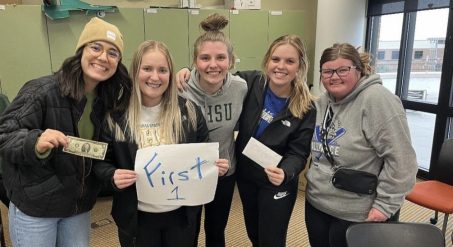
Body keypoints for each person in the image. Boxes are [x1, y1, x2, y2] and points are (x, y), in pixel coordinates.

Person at [0, 17, 131, 247]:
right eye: (96, 47)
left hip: (77, 207)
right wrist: (35, 142)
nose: (103, 57)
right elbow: (4, 135)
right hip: (36, 207)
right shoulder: (43, 90)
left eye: (113, 53)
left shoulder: (108, 101)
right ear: (81, 51)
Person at [93, 40, 229, 247]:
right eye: (147, 69)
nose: (155, 77)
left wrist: (216, 166)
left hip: (181, 215)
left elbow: (204, 154)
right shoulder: (116, 117)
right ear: (135, 72)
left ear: (170, 74)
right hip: (137, 216)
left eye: (162, 70)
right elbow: (101, 163)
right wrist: (111, 176)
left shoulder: (189, 112)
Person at [305, 43, 418, 247]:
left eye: (343, 70)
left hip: (358, 213)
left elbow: (403, 161)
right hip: (317, 205)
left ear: (359, 70)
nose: (334, 76)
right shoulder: (322, 103)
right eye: (328, 71)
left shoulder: (377, 100)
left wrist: (385, 205)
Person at [234, 35, 316, 247]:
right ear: (267, 61)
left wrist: (286, 172)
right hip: (247, 176)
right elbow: (217, 80)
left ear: (300, 67)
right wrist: (189, 73)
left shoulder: (305, 106)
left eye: (290, 61)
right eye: (276, 59)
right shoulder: (250, 82)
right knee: (254, 233)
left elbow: (298, 152)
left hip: (277, 180)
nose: (281, 66)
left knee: (272, 240)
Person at [178, 13, 247, 247]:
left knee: (216, 231)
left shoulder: (240, 88)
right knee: (188, 231)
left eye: (220, 57)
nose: (213, 65)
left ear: (231, 60)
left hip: (224, 172)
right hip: (189, 174)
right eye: (205, 58)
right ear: (195, 61)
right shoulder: (181, 88)